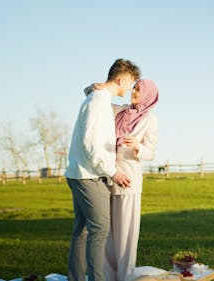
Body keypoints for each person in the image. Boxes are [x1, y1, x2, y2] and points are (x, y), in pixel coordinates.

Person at [65, 58, 140, 281]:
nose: (129, 89)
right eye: (130, 84)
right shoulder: (98, 101)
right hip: (89, 176)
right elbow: (91, 144)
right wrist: (113, 171)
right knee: (100, 230)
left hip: (80, 173)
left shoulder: (98, 98)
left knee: (82, 231)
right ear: (122, 79)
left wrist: (92, 86)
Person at [85, 79, 159, 281]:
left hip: (129, 181)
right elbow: (93, 97)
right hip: (108, 177)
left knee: (126, 236)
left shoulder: (150, 119)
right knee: (108, 235)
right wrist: (95, 87)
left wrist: (138, 147)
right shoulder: (120, 110)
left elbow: (151, 152)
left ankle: (126, 277)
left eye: (138, 89)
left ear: (147, 95)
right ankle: (109, 277)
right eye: (133, 87)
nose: (133, 91)